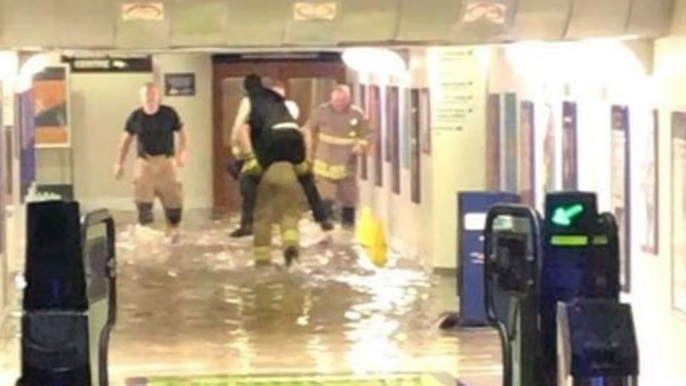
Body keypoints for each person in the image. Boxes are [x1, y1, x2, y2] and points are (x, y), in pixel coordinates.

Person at [228, 75, 332, 237]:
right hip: (293, 138)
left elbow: (240, 127)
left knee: (249, 178)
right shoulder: (278, 99)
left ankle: (246, 224)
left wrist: (239, 151)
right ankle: (323, 218)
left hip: (272, 140)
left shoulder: (250, 99)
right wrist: (308, 158)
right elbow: (304, 131)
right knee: (306, 178)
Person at [114, 82, 189, 239]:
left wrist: (182, 153)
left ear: (158, 96)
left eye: (153, 94)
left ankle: (173, 233)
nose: (150, 98)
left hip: (167, 162)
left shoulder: (169, 113)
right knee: (144, 206)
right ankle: (147, 238)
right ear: (141, 98)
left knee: (174, 205)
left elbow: (183, 134)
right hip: (145, 163)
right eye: (147, 95)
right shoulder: (136, 117)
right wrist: (119, 163)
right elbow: (125, 141)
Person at [304, 85, 371, 229]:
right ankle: (325, 229)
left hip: (347, 163)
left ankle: (348, 229)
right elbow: (308, 127)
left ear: (348, 99)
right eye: (336, 100)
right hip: (324, 162)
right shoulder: (321, 111)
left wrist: (361, 146)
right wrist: (309, 146)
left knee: (349, 199)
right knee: (326, 196)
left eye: (342, 100)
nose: (339, 103)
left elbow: (366, 135)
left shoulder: (357, 114)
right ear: (331, 98)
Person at [253, 162, 303, 267]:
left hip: (261, 172)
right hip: (287, 172)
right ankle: (290, 243)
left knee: (262, 218)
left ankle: (262, 260)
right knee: (290, 214)